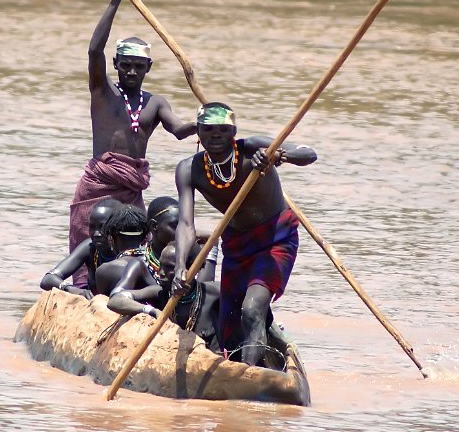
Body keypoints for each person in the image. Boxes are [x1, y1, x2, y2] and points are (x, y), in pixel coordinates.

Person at [68, 0, 196, 288]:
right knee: (90, 242)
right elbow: (94, 51)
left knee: (135, 244)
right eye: (125, 65)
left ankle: (130, 292)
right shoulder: (103, 91)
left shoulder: (155, 103)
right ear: (116, 64)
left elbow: (179, 130)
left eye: (138, 66)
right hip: (98, 184)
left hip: (130, 190)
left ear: (148, 68)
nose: (131, 71)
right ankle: (84, 290)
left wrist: (204, 125)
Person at [172, 102, 317, 367]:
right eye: (209, 129)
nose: (216, 135)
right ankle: (258, 352)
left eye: (223, 129)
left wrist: (277, 155)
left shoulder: (252, 149)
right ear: (198, 133)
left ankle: (249, 376)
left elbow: (309, 154)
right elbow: (185, 224)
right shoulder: (189, 169)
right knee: (230, 319)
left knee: (251, 309)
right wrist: (180, 266)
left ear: (234, 132)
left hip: (275, 239)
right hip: (237, 245)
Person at [107, 197, 221, 351]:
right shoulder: (158, 290)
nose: (161, 273)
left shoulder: (212, 292)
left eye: (170, 268)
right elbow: (115, 299)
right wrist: (152, 311)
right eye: (175, 225)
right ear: (154, 226)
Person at [40, 197, 122, 299]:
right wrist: (71, 289)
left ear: (117, 226)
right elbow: (48, 279)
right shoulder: (90, 248)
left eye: (102, 227)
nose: (96, 233)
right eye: (92, 227)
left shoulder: (131, 253)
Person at [93, 203, 152, 296]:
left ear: (111, 239)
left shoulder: (105, 270)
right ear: (144, 238)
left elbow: (105, 302)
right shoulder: (156, 263)